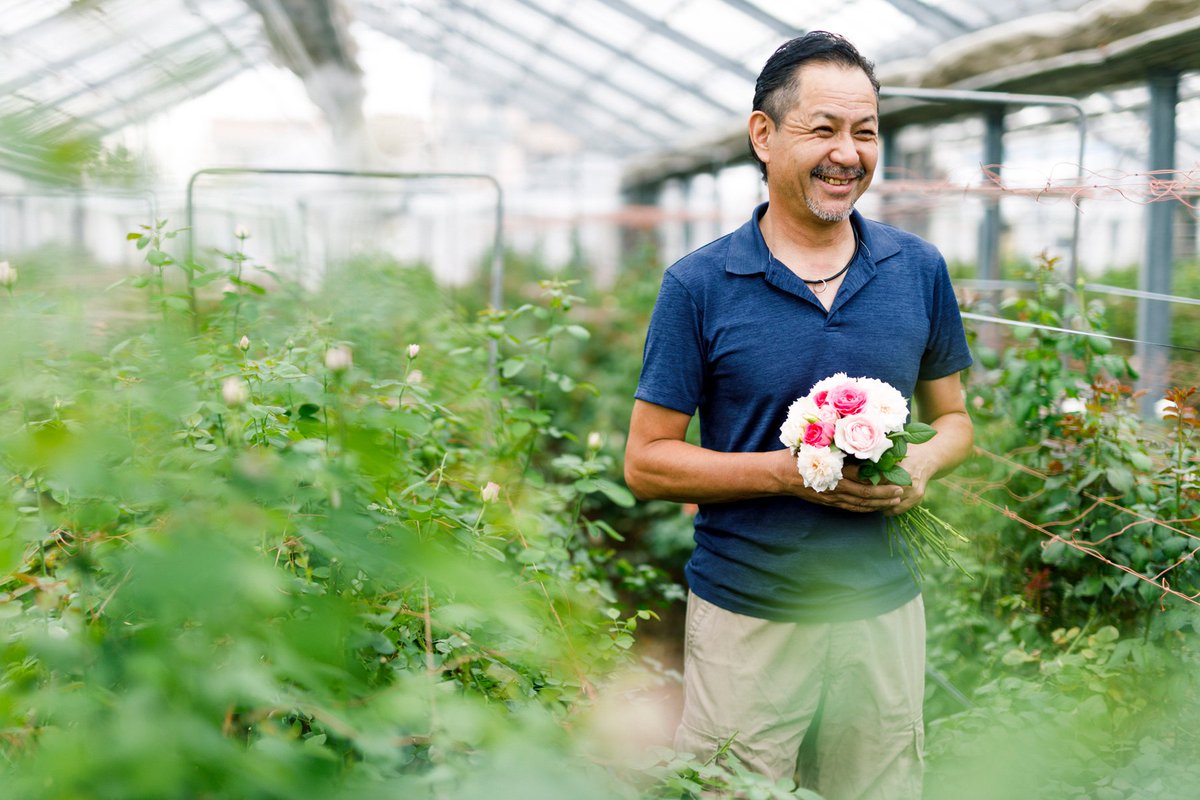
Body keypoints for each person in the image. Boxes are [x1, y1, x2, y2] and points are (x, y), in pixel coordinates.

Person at [623, 31, 974, 800]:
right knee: (732, 789)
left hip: (880, 606)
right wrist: (788, 474)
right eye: (824, 129)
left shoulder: (916, 270)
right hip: (748, 610)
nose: (848, 153)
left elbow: (954, 422)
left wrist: (920, 461)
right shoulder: (700, 284)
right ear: (764, 135)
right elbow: (647, 460)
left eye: (865, 131)